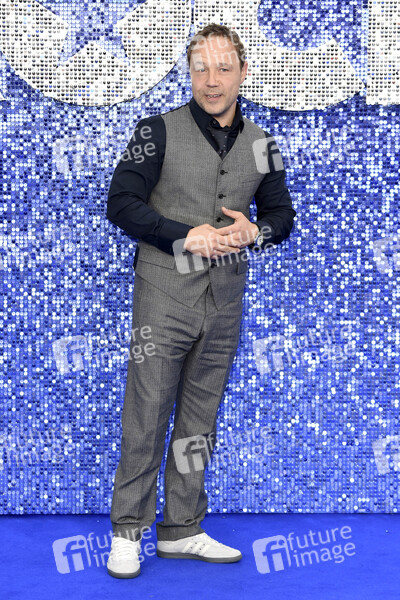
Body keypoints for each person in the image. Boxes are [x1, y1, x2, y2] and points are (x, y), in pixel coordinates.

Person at [106, 23, 296, 578]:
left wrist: (256, 232)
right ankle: (127, 532)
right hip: (163, 297)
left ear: (243, 72)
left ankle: (182, 529)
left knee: (199, 422)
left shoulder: (262, 143)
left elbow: (282, 216)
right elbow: (121, 202)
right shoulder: (155, 131)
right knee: (145, 417)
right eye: (201, 68)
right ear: (190, 73)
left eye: (223, 68)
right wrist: (183, 236)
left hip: (226, 300)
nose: (212, 80)